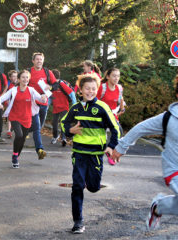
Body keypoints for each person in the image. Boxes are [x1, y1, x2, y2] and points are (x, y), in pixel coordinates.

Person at [112, 74, 178, 240]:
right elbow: (140, 128)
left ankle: (158, 207)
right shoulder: (168, 118)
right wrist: (122, 146)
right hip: (175, 170)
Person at [61, 76, 120, 234]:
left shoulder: (102, 107)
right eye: (87, 88)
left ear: (97, 90)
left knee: (93, 187)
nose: (90, 91)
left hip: (95, 154)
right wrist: (70, 131)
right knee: (77, 186)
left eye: (93, 89)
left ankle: (89, 181)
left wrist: (111, 146)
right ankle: (78, 222)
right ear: (80, 90)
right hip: (79, 154)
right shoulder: (75, 108)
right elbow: (64, 122)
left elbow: (116, 128)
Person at [0, 70, 47, 168]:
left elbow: (40, 98)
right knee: (19, 135)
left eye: (27, 77)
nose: (25, 79)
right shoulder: (13, 90)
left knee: (22, 139)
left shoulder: (31, 90)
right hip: (15, 117)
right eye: (23, 77)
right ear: (18, 79)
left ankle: (16, 155)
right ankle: (15, 156)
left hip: (27, 118)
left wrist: (43, 98)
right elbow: (0, 99)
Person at [28, 53, 58, 159]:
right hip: (32, 104)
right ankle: (40, 149)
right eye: (37, 59)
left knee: (38, 127)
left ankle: (26, 130)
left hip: (44, 103)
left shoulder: (47, 72)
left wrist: (49, 87)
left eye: (41, 59)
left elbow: (55, 85)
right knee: (37, 128)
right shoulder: (29, 72)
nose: (39, 61)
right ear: (33, 61)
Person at [97, 68, 125, 165]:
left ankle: (111, 152)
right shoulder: (102, 87)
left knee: (118, 132)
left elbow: (120, 99)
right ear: (108, 77)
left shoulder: (120, 88)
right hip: (100, 115)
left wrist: (122, 108)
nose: (116, 78)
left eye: (118, 76)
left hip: (112, 115)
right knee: (101, 138)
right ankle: (99, 155)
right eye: (114, 76)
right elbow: (94, 101)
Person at [50, 69, 77, 146]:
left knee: (63, 123)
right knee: (54, 123)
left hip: (64, 107)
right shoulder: (52, 85)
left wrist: (74, 106)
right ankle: (55, 136)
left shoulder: (62, 84)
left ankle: (63, 138)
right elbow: (49, 96)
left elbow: (72, 93)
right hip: (56, 107)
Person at [5, 70, 18, 138]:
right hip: (10, 102)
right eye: (13, 76)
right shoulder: (8, 83)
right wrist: (6, 100)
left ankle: (13, 128)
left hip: (18, 102)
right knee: (9, 117)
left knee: (17, 117)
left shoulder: (20, 83)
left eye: (16, 76)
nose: (15, 77)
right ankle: (9, 130)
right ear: (10, 77)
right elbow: (5, 92)